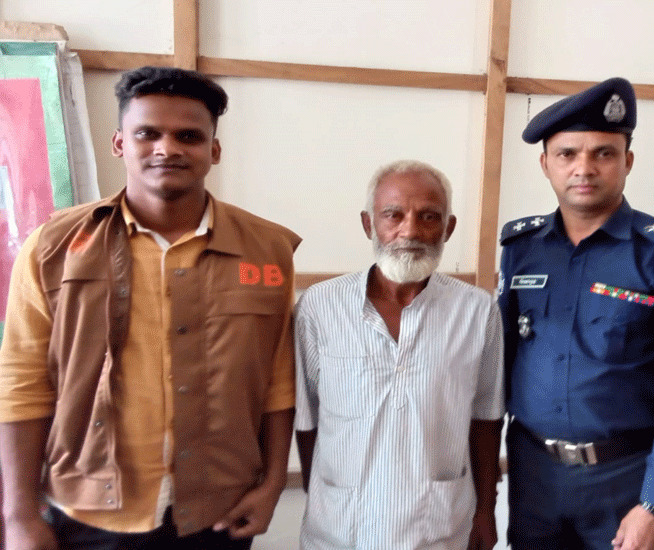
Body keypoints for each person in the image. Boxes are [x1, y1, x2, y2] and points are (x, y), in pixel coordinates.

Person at [0, 66, 300, 550]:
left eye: (188, 136)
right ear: (120, 143)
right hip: (88, 512)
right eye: (148, 134)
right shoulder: (53, 248)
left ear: (214, 150)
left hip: (219, 510)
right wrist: (17, 515)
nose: (167, 148)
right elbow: (21, 380)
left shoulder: (267, 250)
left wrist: (272, 485)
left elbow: (278, 379)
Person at [499, 77, 654, 550]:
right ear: (545, 164)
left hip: (627, 479)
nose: (584, 168)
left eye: (603, 153)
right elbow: (499, 361)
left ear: (627, 161)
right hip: (534, 475)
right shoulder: (521, 250)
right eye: (567, 154)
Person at [294, 160, 505, 549]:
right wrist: (323, 498)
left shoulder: (477, 310)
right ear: (368, 224)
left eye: (428, 217)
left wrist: (486, 511)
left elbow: (486, 419)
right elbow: (307, 421)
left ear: (448, 228)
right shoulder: (320, 306)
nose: (410, 231)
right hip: (339, 529)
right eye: (393, 215)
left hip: (440, 527)